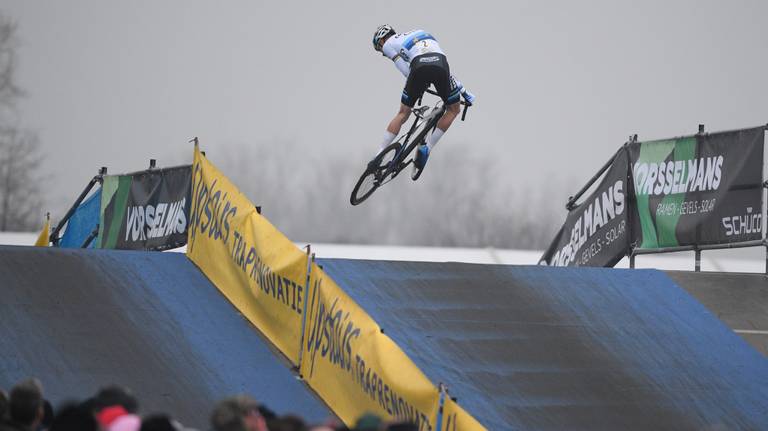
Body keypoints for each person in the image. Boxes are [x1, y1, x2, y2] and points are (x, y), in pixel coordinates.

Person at [371, 25, 475, 179]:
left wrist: (418, 84)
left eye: (379, 48)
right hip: (441, 65)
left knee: (403, 113)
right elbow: (447, 71)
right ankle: (428, 147)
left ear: (382, 39)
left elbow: (404, 68)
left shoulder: (388, 44)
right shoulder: (421, 33)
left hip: (419, 67)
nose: (383, 53)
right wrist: (465, 93)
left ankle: (377, 156)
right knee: (453, 110)